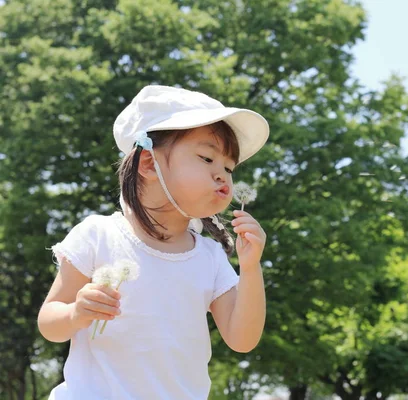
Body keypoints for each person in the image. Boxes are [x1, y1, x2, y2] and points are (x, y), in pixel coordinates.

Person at [37, 85, 269, 399]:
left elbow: (242, 339)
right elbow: (50, 324)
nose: (222, 176)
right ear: (148, 164)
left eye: (228, 167)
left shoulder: (210, 256)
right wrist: (77, 313)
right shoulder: (98, 235)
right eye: (207, 158)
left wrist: (251, 267)